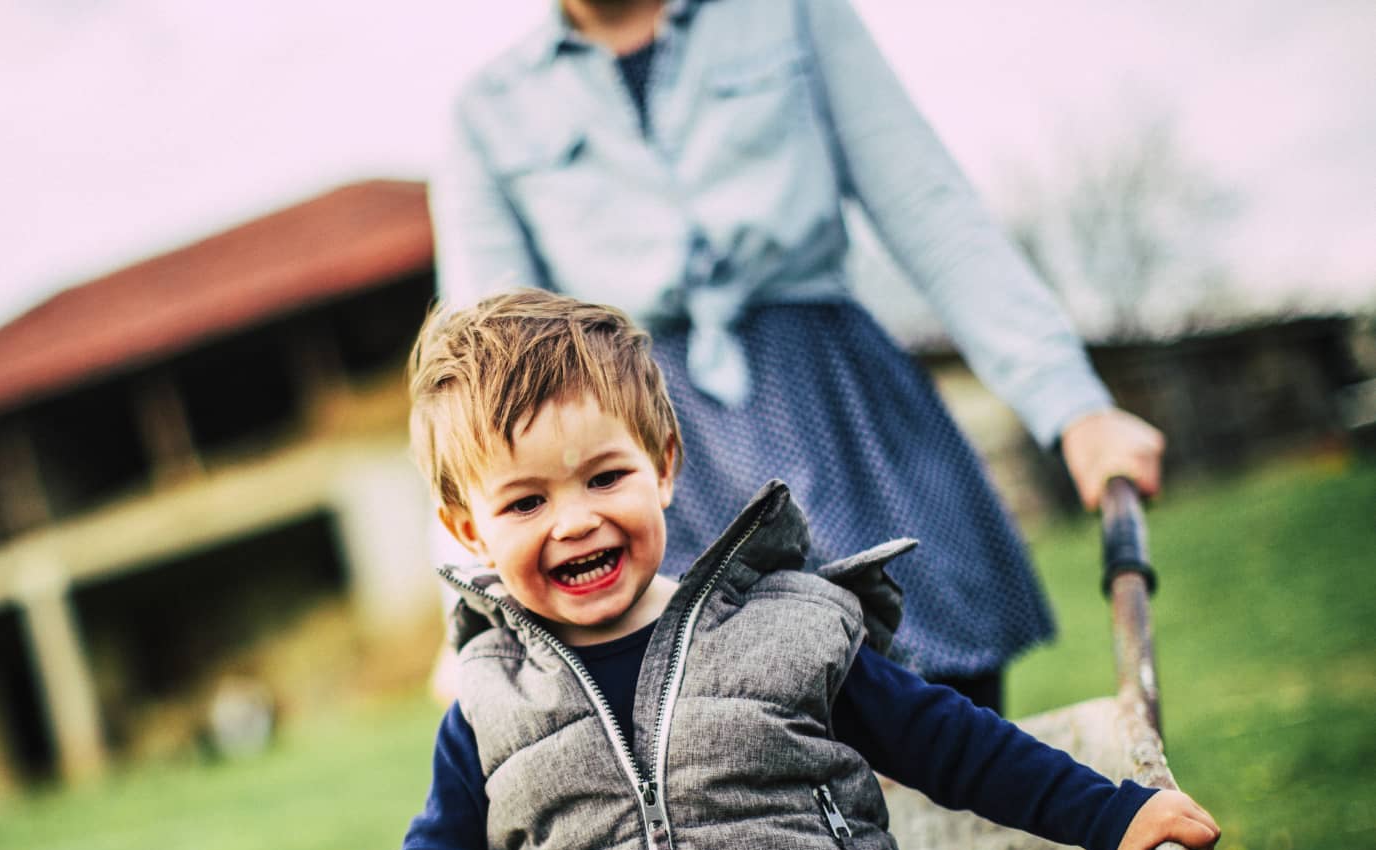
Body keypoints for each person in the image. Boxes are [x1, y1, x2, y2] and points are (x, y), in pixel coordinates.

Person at [273, 291, 1217, 850]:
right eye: (525, 501)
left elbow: (951, 742)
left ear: (664, 464)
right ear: (469, 527)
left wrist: (1115, 813)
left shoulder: (784, 627)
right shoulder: (490, 707)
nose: (575, 520)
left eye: (605, 477)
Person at [430, 0, 1165, 713]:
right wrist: (464, 608)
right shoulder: (490, 109)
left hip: (842, 410)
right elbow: (482, 377)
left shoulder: (791, 12)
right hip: (655, 454)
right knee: (725, 733)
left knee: (936, 705)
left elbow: (931, 207)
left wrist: (1077, 409)